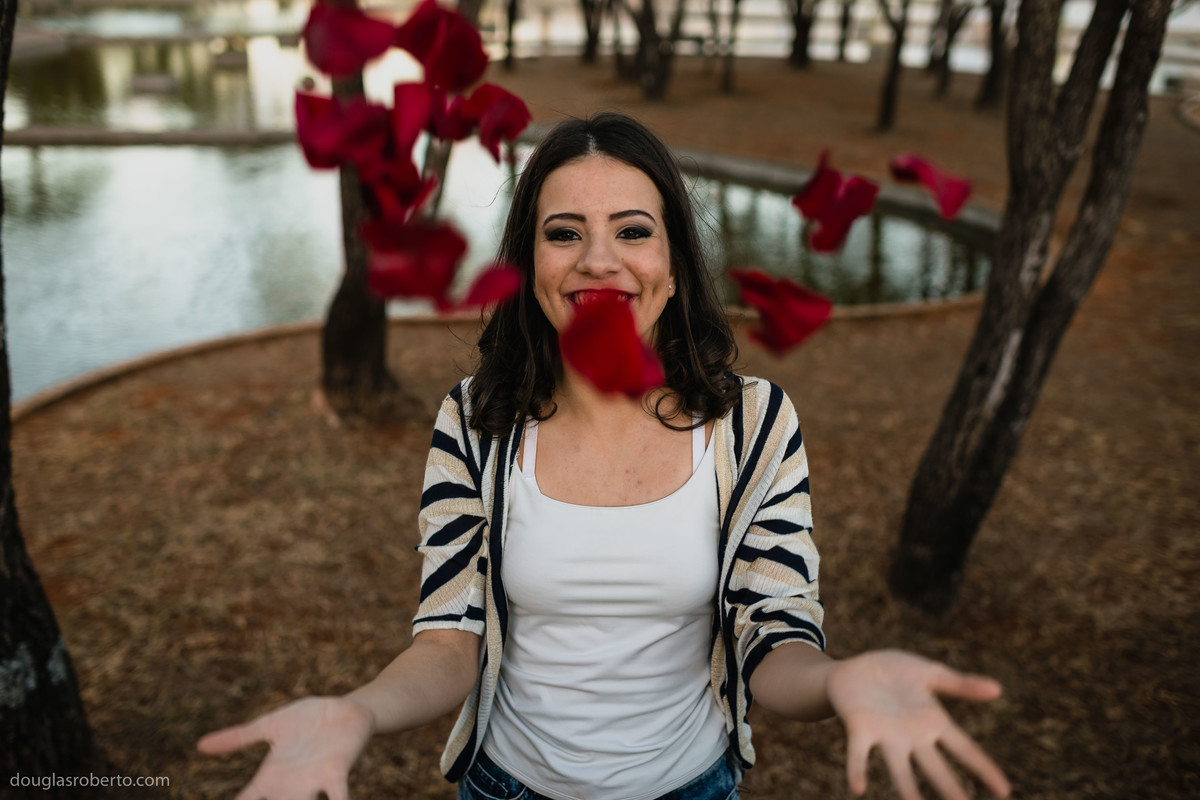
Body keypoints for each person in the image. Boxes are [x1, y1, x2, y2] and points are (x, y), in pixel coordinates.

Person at [199, 112, 1011, 800]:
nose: (599, 261)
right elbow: (451, 636)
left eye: (633, 230)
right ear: (529, 264)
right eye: (564, 234)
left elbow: (773, 635)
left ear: (672, 260)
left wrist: (840, 679)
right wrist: (360, 712)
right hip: (502, 786)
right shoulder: (474, 422)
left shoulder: (754, 423)